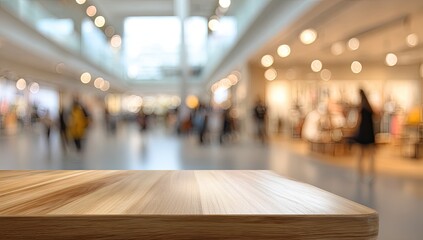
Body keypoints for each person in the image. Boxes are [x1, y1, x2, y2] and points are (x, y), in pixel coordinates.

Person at [354, 89, 376, 179]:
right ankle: (371, 172)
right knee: (371, 153)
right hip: (370, 131)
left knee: (360, 153)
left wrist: (355, 129)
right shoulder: (369, 107)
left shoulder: (361, 107)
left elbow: (358, 121)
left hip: (363, 132)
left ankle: (361, 173)